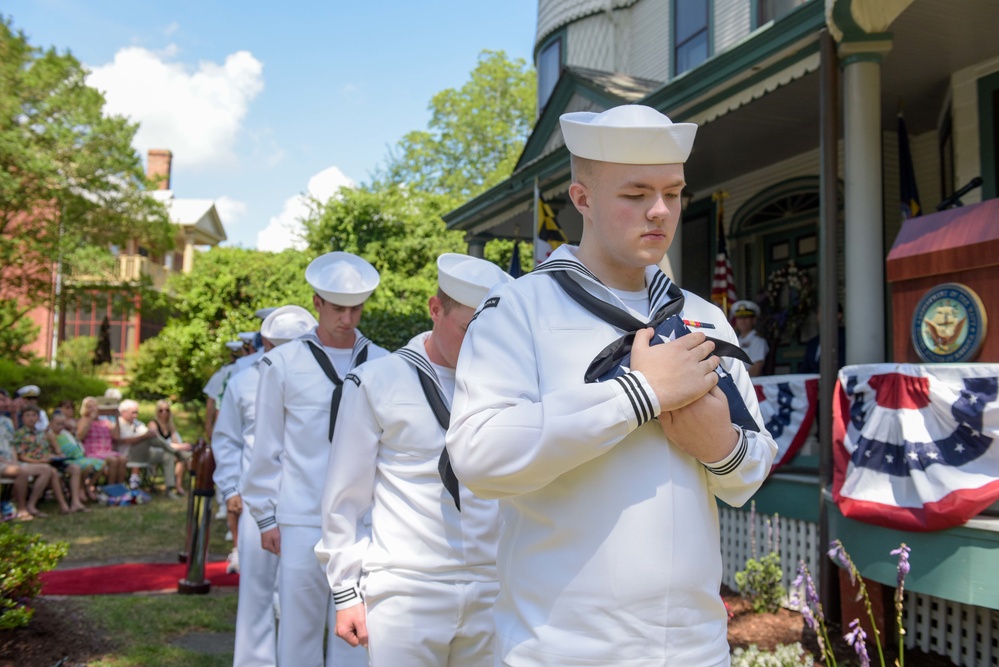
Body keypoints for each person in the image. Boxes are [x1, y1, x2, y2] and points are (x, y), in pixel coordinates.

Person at [446, 104, 778, 666]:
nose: (659, 210)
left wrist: (719, 447)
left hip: (696, 649)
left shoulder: (704, 318)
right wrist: (636, 396)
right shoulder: (518, 310)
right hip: (561, 650)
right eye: (635, 193)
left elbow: (751, 469)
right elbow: (478, 456)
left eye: (673, 193)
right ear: (583, 200)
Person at [316, 254, 513, 667]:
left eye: (490, 331)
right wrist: (346, 592)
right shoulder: (375, 381)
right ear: (435, 309)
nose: (480, 343)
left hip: (493, 585)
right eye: (467, 329)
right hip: (406, 588)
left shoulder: (509, 385)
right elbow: (344, 497)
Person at [243, 251, 387, 667]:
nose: (348, 318)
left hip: (365, 521)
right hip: (301, 517)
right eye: (338, 308)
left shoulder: (383, 363)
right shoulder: (282, 364)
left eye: (356, 308)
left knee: (357, 635)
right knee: (299, 633)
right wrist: (266, 516)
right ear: (317, 304)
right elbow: (266, 445)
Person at [213, 305, 317, 667]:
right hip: (256, 502)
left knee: (303, 599)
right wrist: (231, 490)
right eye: (280, 346)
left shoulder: (325, 379)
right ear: (267, 344)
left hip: (306, 502)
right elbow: (227, 440)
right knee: (256, 593)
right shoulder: (244, 380)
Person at [0, 392, 55, 520]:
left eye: (4, 399)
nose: (4, 403)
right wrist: (9, 463)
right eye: (1, 400)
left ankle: (31, 505)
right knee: (21, 471)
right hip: (3, 463)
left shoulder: (7, 421)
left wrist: (13, 461)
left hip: (10, 463)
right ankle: (21, 508)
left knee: (46, 469)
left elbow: (12, 445)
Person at [14, 406, 78, 514]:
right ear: (22, 418)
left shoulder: (41, 433)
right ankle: (34, 504)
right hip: (29, 463)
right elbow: (21, 456)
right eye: (28, 415)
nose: (31, 418)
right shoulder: (19, 434)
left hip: (47, 460)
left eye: (34, 415)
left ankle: (76, 502)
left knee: (74, 468)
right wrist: (39, 462)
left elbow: (46, 451)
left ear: (38, 418)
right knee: (50, 471)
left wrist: (55, 457)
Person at [48, 409, 103, 502]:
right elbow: (58, 451)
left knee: (101, 464)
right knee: (87, 467)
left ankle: (87, 487)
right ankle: (80, 489)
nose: (60, 427)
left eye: (62, 424)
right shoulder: (51, 435)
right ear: (51, 423)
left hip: (78, 457)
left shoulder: (65, 433)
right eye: (58, 424)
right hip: (67, 460)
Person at [146, 400, 193, 497]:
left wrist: (181, 446)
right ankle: (173, 487)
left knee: (187, 457)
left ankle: (190, 483)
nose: (164, 413)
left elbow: (175, 442)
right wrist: (181, 447)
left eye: (167, 410)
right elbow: (159, 443)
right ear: (157, 412)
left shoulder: (170, 425)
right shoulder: (153, 424)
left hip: (170, 451)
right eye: (161, 410)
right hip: (155, 452)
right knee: (174, 456)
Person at [78, 396, 127, 485]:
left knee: (123, 459)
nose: (93, 409)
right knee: (113, 461)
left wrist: (116, 418)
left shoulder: (105, 422)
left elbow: (116, 436)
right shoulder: (84, 420)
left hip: (107, 451)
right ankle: (110, 487)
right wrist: (90, 419)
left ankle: (120, 485)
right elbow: (80, 436)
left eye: (95, 406)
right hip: (92, 452)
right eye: (89, 407)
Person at [203, 340, 243, 440]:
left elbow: (211, 403)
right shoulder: (248, 371)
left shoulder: (221, 374)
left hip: (222, 426)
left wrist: (209, 428)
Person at [800, 304, 846, 374]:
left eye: (826, 312)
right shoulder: (813, 343)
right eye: (819, 312)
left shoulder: (845, 337)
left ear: (839, 315)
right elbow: (804, 370)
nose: (822, 316)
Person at [730, 299, 769, 377]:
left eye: (746, 317)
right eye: (739, 318)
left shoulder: (758, 341)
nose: (742, 321)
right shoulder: (736, 340)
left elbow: (756, 367)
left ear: (754, 320)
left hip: (749, 384)